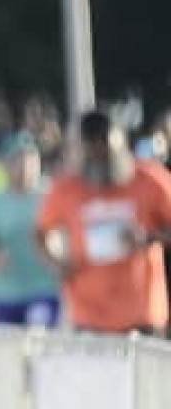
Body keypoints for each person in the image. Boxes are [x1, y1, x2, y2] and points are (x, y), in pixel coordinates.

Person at [36, 110, 171, 338]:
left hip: (142, 313)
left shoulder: (150, 179)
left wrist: (148, 237)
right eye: (92, 150)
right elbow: (40, 233)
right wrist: (57, 264)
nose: (99, 155)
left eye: (105, 149)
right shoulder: (66, 188)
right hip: (89, 314)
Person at [0, 140, 63, 328]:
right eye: (17, 161)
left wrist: (57, 252)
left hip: (43, 288)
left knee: (38, 341)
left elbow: (68, 233)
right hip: (6, 293)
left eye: (30, 161)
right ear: (7, 165)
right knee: (10, 351)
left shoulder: (49, 197)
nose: (24, 168)